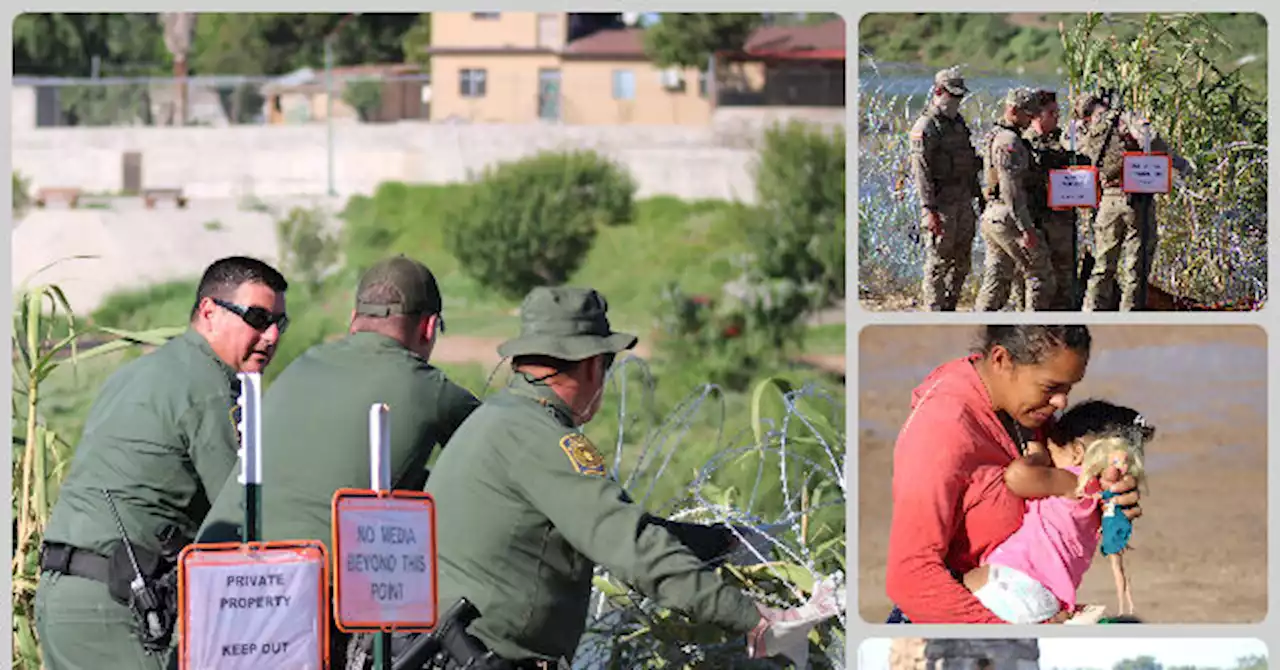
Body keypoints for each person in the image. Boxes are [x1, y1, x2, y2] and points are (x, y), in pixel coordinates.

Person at [416, 286, 840, 667]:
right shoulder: (544, 441)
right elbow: (631, 548)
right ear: (590, 365)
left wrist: (724, 541)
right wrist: (757, 621)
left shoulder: (499, 418)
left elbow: (618, 526)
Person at [193, 255, 482, 664]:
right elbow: (496, 453)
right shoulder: (429, 388)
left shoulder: (301, 366)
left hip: (214, 592)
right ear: (429, 327)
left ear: (353, 318)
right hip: (301, 610)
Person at [35, 256, 289, 670]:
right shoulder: (208, 389)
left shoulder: (142, 371)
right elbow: (245, 518)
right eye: (258, 318)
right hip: (115, 607)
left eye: (281, 322)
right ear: (209, 312)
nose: (272, 335)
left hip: (61, 598)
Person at [883, 325, 1144, 624]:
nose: (1062, 403)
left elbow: (1064, 492)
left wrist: (1112, 495)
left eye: (1069, 389)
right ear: (1001, 360)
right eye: (1051, 388)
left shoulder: (1027, 413)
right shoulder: (942, 430)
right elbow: (910, 577)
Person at [961, 399, 1155, 623]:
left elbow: (1017, 478)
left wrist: (1038, 456)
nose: (1049, 460)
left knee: (951, 591)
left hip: (1015, 581)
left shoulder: (1072, 481)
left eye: (1052, 450)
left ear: (1076, 453)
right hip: (1047, 598)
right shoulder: (1101, 500)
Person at [1075, 91, 1191, 311]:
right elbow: (1151, 138)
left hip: (1108, 202)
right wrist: (1180, 165)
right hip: (1136, 199)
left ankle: (1091, 313)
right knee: (1136, 267)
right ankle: (1129, 316)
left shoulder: (1084, 129)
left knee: (1103, 265)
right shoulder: (1123, 119)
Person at [974, 88, 1057, 311]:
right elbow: (1011, 189)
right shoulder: (1009, 141)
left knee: (998, 277)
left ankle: (981, 324)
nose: (1031, 120)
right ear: (1012, 110)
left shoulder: (996, 134)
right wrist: (1026, 228)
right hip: (1007, 215)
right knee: (1040, 274)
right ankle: (1033, 330)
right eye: (1027, 115)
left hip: (993, 216)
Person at [909, 66, 984, 311]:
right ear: (939, 91)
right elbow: (921, 171)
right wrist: (928, 209)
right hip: (940, 204)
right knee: (938, 261)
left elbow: (969, 162)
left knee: (962, 261)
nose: (957, 101)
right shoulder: (926, 126)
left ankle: (950, 305)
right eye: (953, 95)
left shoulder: (958, 124)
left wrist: (979, 196)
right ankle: (934, 308)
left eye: (960, 96)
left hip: (963, 200)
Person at [1012, 89, 1082, 310]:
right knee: (1035, 278)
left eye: (1058, 112)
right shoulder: (1024, 143)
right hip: (1038, 220)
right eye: (1051, 113)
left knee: (1065, 277)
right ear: (1037, 115)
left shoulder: (1063, 139)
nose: (1056, 117)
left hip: (1062, 220)